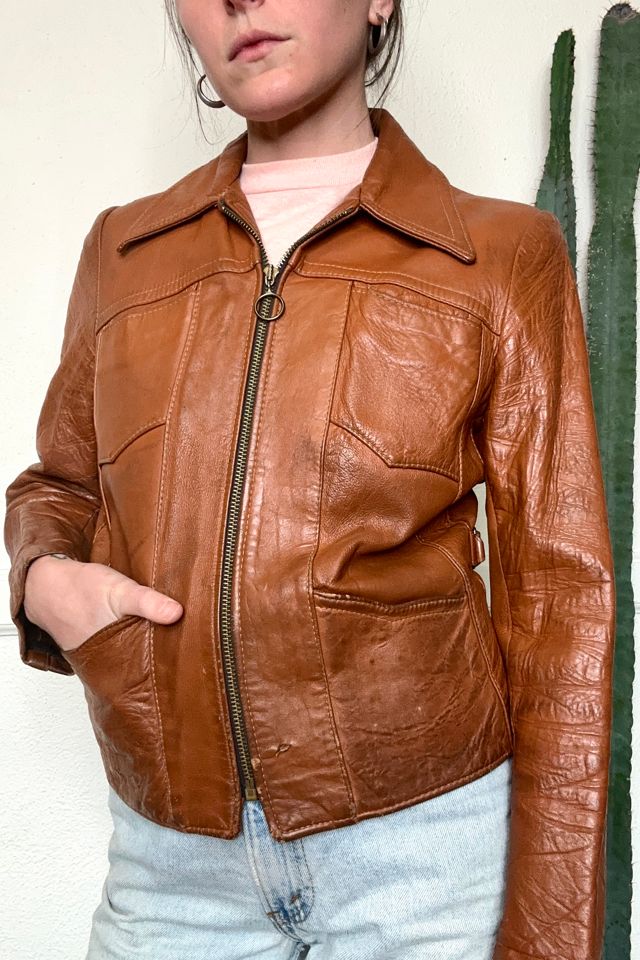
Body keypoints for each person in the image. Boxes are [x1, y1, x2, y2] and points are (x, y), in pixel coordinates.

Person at [4, 2, 615, 959]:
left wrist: (550, 933)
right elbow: (60, 486)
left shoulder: (499, 254)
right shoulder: (125, 251)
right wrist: (44, 582)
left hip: (426, 855)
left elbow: (562, 601)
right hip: (171, 860)